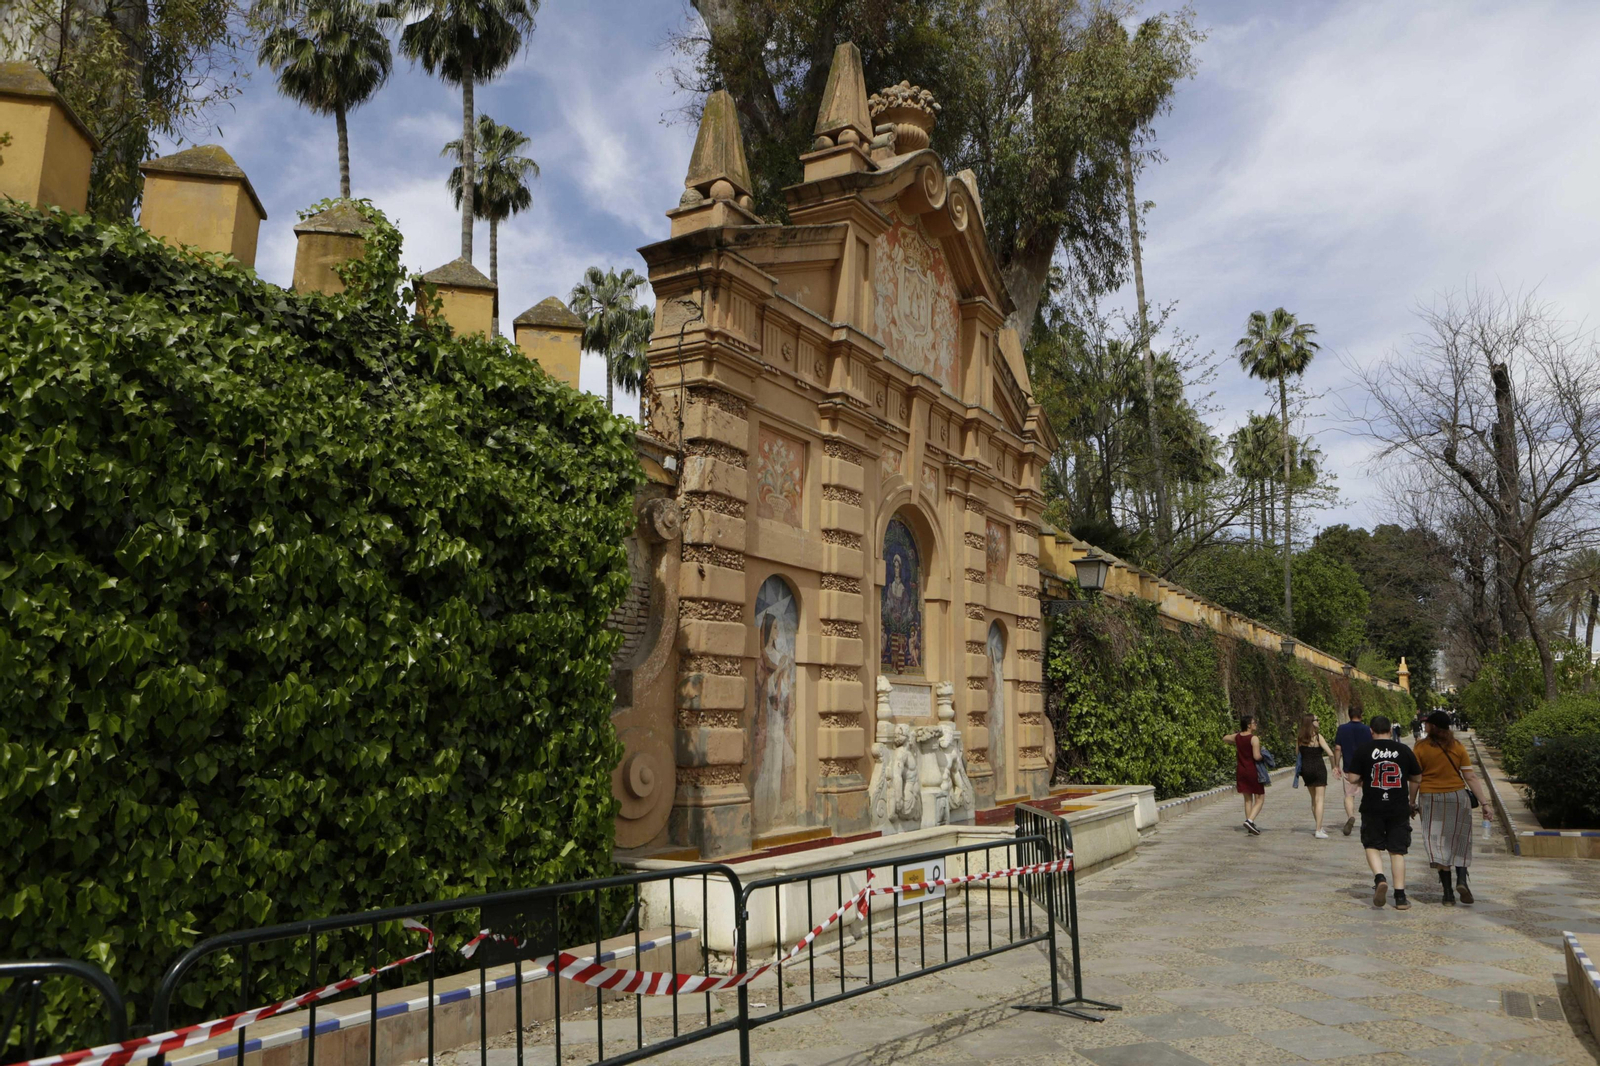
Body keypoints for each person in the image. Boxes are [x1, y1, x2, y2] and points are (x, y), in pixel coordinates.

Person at [1413, 710, 1493, 904]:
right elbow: (1470, 777)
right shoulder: (1458, 747)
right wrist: (1484, 802)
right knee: (1459, 839)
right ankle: (1463, 880)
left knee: (1438, 842)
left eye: (1427, 723)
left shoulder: (1420, 748)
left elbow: (1416, 778)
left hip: (1430, 799)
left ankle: (1448, 893)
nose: (1425, 726)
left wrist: (1411, 801)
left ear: (1432, 726)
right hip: (1457, 798)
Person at [1344, 715, 1422, 910]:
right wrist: (1412, 800)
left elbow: (1352, 777)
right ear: (1390, 729)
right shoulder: (1403, 749)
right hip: (1398, 806)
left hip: (1372, 805)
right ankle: (1401, 896)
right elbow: (1417, 776)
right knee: (1397, 851)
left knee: (1371, 844)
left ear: (1371, 731)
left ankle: (1380, 878)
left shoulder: (1364, 750)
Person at [1332, 708, 1373, 837]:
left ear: (1349, 715)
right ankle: (1368, 821)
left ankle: (1351, 816)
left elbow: (1338, 748)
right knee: (1368, 794)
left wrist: (1336, 765)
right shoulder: (1367, 729)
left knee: (1349, 795)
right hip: (1366, 767)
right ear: (1361, 715)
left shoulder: (1342, 729)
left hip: (1349, 768)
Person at [1294, 713, 1337, 838]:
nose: (1318, 721)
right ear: (1311, 722)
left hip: (1306, 770)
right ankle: (1318, 829)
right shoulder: (1318, 737)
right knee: (1320, 800)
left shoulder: (1300, 738)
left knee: (1313, 800)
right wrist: (1334, 767)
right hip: (1318, 768)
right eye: (1316, 720)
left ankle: (1319, 826)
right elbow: (1331, 753)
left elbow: (1297, 753)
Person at [1224, 715, 1266, 834]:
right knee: (1260, 798)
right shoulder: (1254, 739)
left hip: (1241, 771)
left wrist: (1234, 736)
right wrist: (1264, 756)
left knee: (1248, 800)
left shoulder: (1237, 737)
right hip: (1252, 771)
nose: (1255, 724)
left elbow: (1225, 738)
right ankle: (1250, 821)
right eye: (1254, 722)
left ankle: (1249, 825)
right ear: (1248, 725)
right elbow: (1256, 756)